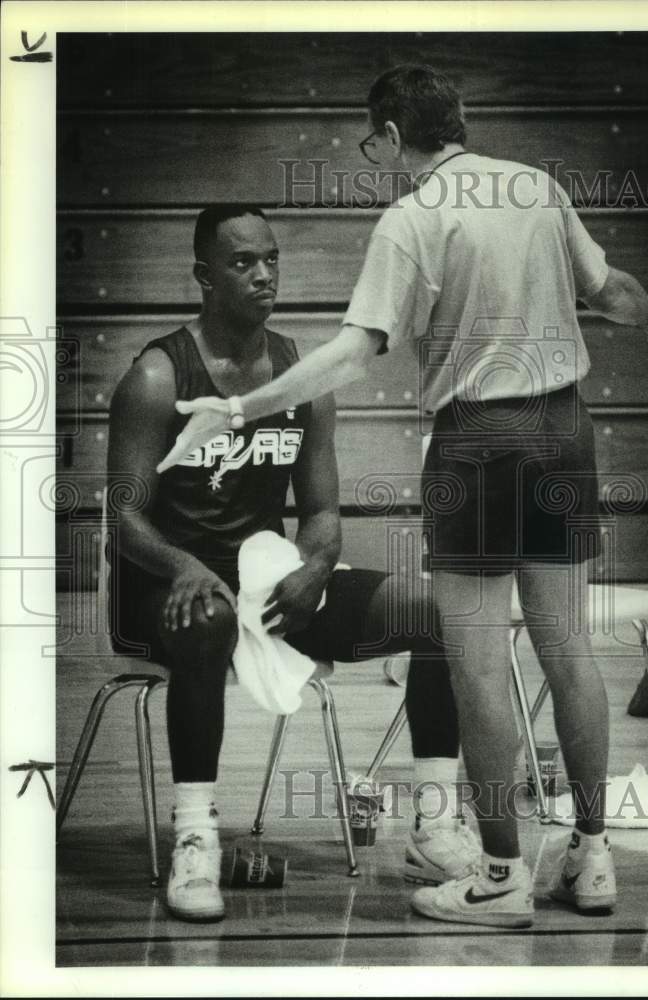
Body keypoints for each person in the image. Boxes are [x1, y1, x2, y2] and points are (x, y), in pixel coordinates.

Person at [158, 66, 648, 929]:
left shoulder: (412, 218)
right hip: (565, 428)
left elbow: (351, 353)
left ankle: (501, 878)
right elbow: (611, 292)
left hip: (479, 442)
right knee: (569, 651)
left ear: (387, 135)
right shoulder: (535, 187)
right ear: (460, 118)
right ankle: (592, 860)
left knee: (479, 666)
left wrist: (237, 407)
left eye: (371, 141)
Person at [106, 203, 481, 923]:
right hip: (166, 588)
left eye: (271, 259)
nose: (263, 274)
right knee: (208, 620)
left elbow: (320, 513)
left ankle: (434, 828)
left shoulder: (298, 378)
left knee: (436, 613)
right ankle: (195, 837)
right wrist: (182, 566)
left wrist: (315, 565)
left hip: (266, 582)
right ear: (204, 277)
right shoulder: (156, 376)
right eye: (242, 262)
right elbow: (122, 516)